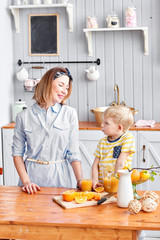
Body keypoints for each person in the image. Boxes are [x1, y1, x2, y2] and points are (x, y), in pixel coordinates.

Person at [12, 67, 82, 194]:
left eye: (67, 88)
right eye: (61, 85)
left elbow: (73, 153)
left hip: (60, 180)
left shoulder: (70, 114)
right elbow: (17, 154)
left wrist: (80, 181)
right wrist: (26, 182)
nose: (64, 91)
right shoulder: (23, 116)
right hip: (31, 181)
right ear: (48, 83)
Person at [92, 105, 135, 189]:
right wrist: (94, 180)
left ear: (119, 127)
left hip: (119, 185)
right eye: (103, 121)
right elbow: (95, 165)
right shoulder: (102, 142)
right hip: (103, 186)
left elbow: (121, 163)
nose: (102, 125)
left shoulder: (128, 138)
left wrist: (114, 182)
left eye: (106, 123)